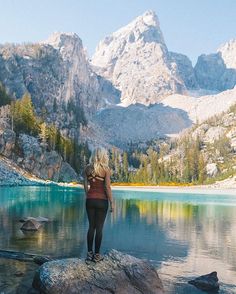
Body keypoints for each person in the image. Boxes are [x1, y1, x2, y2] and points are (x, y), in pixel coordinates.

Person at [83, 147, 114, 263]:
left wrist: (88, 194)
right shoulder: (105, 169)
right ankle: (97, 255)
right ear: (103, 155)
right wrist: (112, 202)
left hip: (90, 200)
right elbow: (107, 187)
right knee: (99, 228)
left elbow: (85, 184)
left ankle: (89, 254)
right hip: (102, 201)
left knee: (91, 226)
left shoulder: (87, 168)